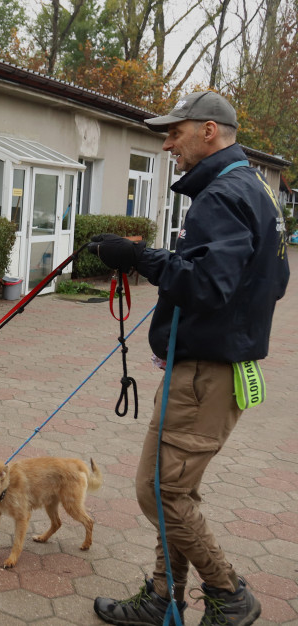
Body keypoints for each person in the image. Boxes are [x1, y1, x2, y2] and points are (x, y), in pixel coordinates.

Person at [90, 92, 288, 626]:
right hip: (210, 367)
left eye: (174, 131)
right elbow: (275, 280)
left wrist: (141, 258)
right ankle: (163, 596)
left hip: (205, 374)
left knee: (160, 493)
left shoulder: (222, 195)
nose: (167, 141)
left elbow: (206, 283)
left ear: (208, 131)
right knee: (172, 488)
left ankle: (228, 594)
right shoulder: (260, 192)